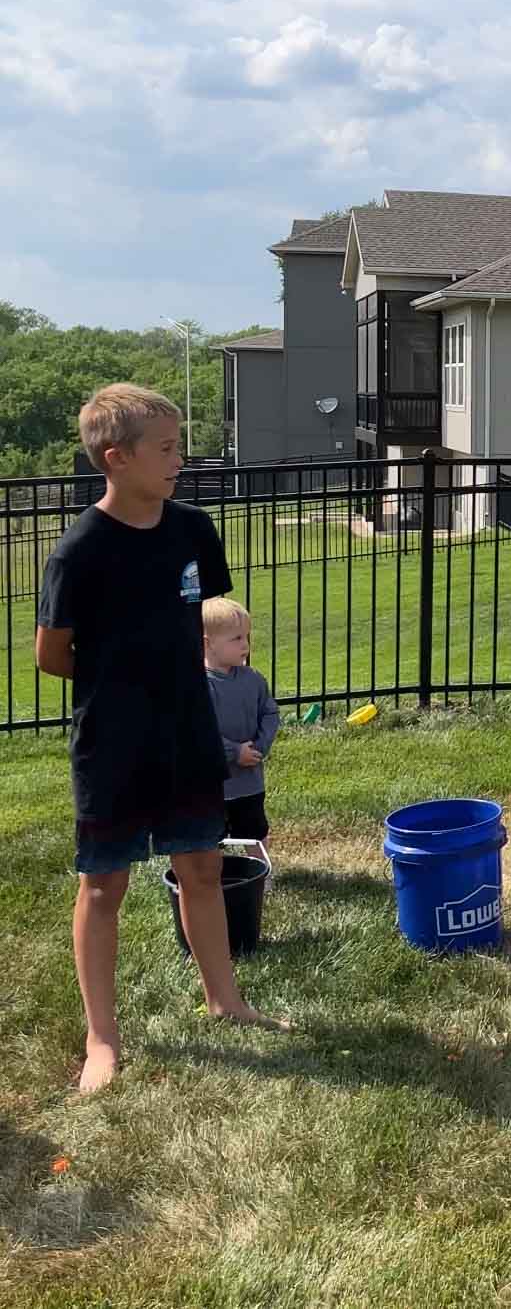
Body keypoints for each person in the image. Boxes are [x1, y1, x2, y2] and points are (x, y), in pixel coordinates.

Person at [35, 384, 287, 1093]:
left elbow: (195, 615)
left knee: (200, 868)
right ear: (116, 458)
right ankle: (101, 1037)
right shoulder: (81, 548)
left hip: (185, 731)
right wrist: (118, 676)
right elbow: (51, 654)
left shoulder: (193, 531)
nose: (182, 458)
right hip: (111, 742)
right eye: (168, 448)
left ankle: (225, 998)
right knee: (104, 882)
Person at [202, 597, 279, 861]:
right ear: (207, 643)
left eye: (246, 636)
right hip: (211, 784)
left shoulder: (253, 679)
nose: (245, 645)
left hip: (248, 782)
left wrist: (259, 747)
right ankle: (214, 878)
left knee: (255, 829)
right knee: (210, 838)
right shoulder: (200, 687)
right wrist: (234, 752)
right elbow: (200, 731)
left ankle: (261, 872)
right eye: (236, 639)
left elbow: (270, 713)